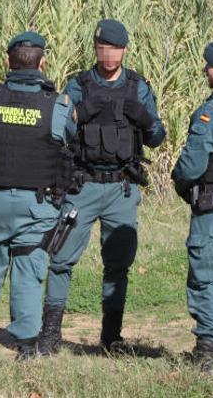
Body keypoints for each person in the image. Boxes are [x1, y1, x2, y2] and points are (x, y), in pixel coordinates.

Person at [39, 19, 166, 354]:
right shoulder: (78, 85)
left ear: (125, 50)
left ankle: (111, 337)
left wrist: (144, 117)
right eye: (103, 48)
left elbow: (157, 138)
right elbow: (58, 131)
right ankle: (50, 334)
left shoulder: (138, 87)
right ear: (95, 49)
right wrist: (79, 113)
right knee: (61, 258)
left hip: (121, 188)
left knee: (118, 265)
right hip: (83, 185)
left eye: (115, 48)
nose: (109, 54)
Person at [0, 31, 77, 361]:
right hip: (35, 206)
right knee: (28, 273)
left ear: (8, 62)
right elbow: (69, 139)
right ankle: (26, 349)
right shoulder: (59, 106)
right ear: (42, 63)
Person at [171, 37, 213, 374]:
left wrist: (179, 179)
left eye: (209, 65)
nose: (206, 71)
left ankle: (206, 354)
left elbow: (193, 165)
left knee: (208, 274)